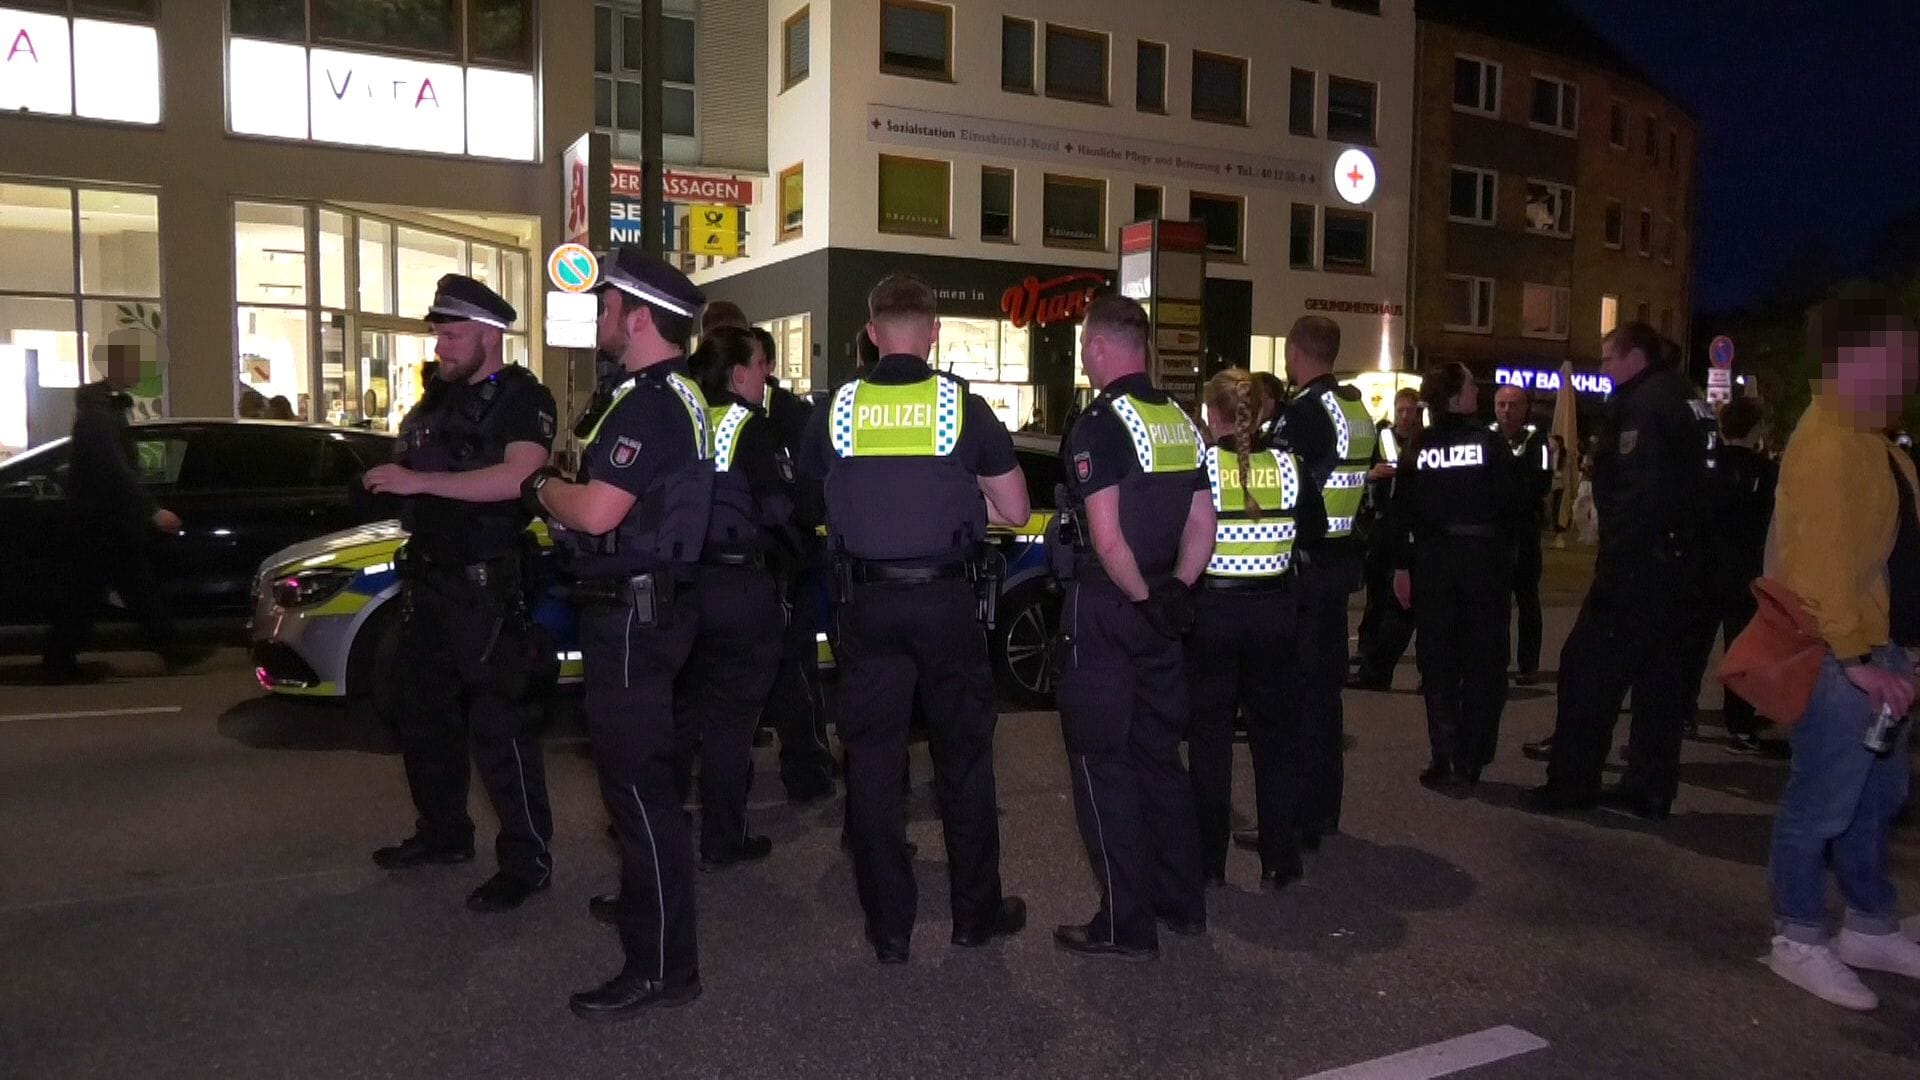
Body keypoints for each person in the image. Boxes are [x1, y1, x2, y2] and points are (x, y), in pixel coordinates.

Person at [798, 272, 1031, 964]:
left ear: (872, 335)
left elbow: (816, 505)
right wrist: (955, 508)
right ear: (933, 333)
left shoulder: (836, 408)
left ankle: (890, 929)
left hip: (866, 604)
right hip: (947, 601)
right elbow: (1016, 510)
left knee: (872, 761)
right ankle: (973, 915)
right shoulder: (961, 405)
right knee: (962, 755)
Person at [523, 246, 714, 1019]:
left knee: (639, 798)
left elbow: (599, 511)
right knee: (646, 790)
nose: (598, 318)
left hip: (635, 619)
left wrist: (542, 488)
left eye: (605, 306)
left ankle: (662, 966)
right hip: (654, 610)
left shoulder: (649, 404)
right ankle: (650, 913)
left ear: (637, 318)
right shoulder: (675, 395)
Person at [360, 274, 558, 913]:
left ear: (490, 335)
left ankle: (526, 860)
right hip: (429, 583)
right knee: (420, 716)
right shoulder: (436, 402)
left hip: (485, 590)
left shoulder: (521, 398)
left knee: (501, 730)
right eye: (440, 334)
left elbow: (518, 477)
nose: (440, 346)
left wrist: (418, 485)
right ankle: (443, 833)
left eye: (452, 335)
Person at [1762, 293, 1920, 1012]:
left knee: (1872, 799)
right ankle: (1797, 937)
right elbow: (1822, 567)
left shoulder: (1871, 438)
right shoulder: (1830, 441)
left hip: (1879, 646)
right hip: (1844, 655)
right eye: (1897, 355)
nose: (1910, 370)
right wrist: (1858, 662)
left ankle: (1868, 924)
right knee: (1821, 803)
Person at [1051, 294, 1214, 960]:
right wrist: (1177, 589)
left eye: (1085, 348)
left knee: (1102, 765)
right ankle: (1183, 905)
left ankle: (1125, 922)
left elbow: (1108, 538)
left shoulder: (1099, 425)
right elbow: (1203, 522)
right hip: (1163, 613)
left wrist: (1145, 596)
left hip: (1113, 613)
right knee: (1160, 760)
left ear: (1096, 347)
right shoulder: (1179, 417)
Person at [1529, 323, 1716, 820]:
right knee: (1661, 683)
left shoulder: (1644, 406)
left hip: (1642, 567)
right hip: (1686, 567)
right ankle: (1650, 788)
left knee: (1587, 672)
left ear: (1635, 356)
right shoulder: (1688, 397)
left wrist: (1617, 564)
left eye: (1609, 358)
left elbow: (1639, 495)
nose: (1604, 369)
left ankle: (1572, 783)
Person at [667, 324, 800, 870]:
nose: (765, 374)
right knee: (730, 723)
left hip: (683, 588)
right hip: (741, 587)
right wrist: (799, 552)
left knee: (681, 716)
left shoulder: (684, 416)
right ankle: (724, 838)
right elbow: (775, 510)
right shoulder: (749, 425)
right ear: (736, 372)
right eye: (759, 365)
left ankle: (662, 834)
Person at [1188, 369, 1323, 890]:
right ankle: (1278, 858)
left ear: (1212, 415)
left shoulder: (1202, 468)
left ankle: (1207, 862)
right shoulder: (1290, 466)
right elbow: (1311, 532)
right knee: (1274, 741)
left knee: (1210, 741)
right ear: (1263, 412)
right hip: (1274, 616)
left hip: (1214, 615)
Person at [1271, 315, 1379, 847]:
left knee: (1297, 701)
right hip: (1339, 568)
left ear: (1295, 352)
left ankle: (1295, 821)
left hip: (1307, 570)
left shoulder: (1306, 412)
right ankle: (1322, 813)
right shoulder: (1357, 411)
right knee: (1325, 699)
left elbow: (1282, 486)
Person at [41, 344, 210, 682]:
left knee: (119, 587)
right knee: (105, 589)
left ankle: (170, 649)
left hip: (104, 518)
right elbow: (113, 467)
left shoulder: (102, 408)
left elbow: (102, 465)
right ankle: (60, 660)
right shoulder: (99, 411)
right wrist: (151, 510)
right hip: (103, 519)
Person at [1391, 364, 1520, 789]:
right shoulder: (1490, 444)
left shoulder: (1419, 446)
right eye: (1469, 384)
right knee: (1484, 663)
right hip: (1482, 563)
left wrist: (1401, 566)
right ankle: (1470, 757)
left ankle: (1443, 756)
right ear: (1455, 397)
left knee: (1439, 663)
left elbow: (1402, 511)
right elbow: (1513, 507)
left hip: (1433, 564)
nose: (1476, 390)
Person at [751, 325, 836, 803]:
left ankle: (809, 773)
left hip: (787, 564)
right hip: (742, 568)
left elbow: (809, 492)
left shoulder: (789, 416)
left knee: (794, 675)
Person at [1701, 397, 1778, 753]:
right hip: (1745, 569)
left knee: (1694, 643)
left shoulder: (1707, 466)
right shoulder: (1764, 472)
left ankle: (1683, 710)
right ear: (1756, 429)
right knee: (1742, 650)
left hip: (1704, 565)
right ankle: (1739, 722)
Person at [1351, 388, 1423, 691]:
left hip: (1412, 527)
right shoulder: (1381, 437)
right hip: (1382, 523)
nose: (1405, 416)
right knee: (1377, 595)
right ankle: (1367, 655)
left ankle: (1387, 667)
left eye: (1410, 410)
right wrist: (1371, 473)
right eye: (1401, 409)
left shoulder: (1425, 441)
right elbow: (1358, 472)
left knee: (1405, 602)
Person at [1492, 385, 1555, 684]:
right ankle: (1497, 660)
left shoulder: (1536, 440)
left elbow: (1541, 481)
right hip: (1496, 531)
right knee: (1496, 600)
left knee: (1527, 597)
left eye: (1513, 405)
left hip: (1524, 529)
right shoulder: (1487, 437)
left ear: (1525, 408)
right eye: (1501, 404)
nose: (1506, 410)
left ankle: (1528, 664)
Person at [1548, 434, 1570, 542]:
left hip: (1560, 483)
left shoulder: (1563, 454)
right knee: (1551, 507)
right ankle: (1553, 527)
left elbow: (1566, 470)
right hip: (1551, 482)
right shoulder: (1550, 453)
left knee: (1558, 507)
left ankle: (1558, 529)